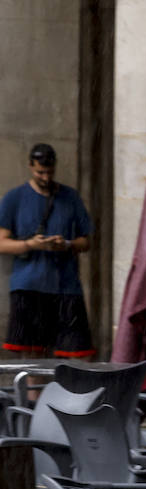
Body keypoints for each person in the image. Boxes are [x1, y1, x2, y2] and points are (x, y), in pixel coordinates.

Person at [0, 143, 94, 357]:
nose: (45, 178)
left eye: (49, 172)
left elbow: (86, 242)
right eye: (40, 172)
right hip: (29, 285)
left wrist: (66, 244)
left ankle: (65, 391)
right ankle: (34, 392)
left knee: (73, 353)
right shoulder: (14, 198)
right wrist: (31, 244)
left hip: (66, 285)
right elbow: (2, 243)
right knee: (32, 354)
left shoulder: (70, 198)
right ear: (30, 167)